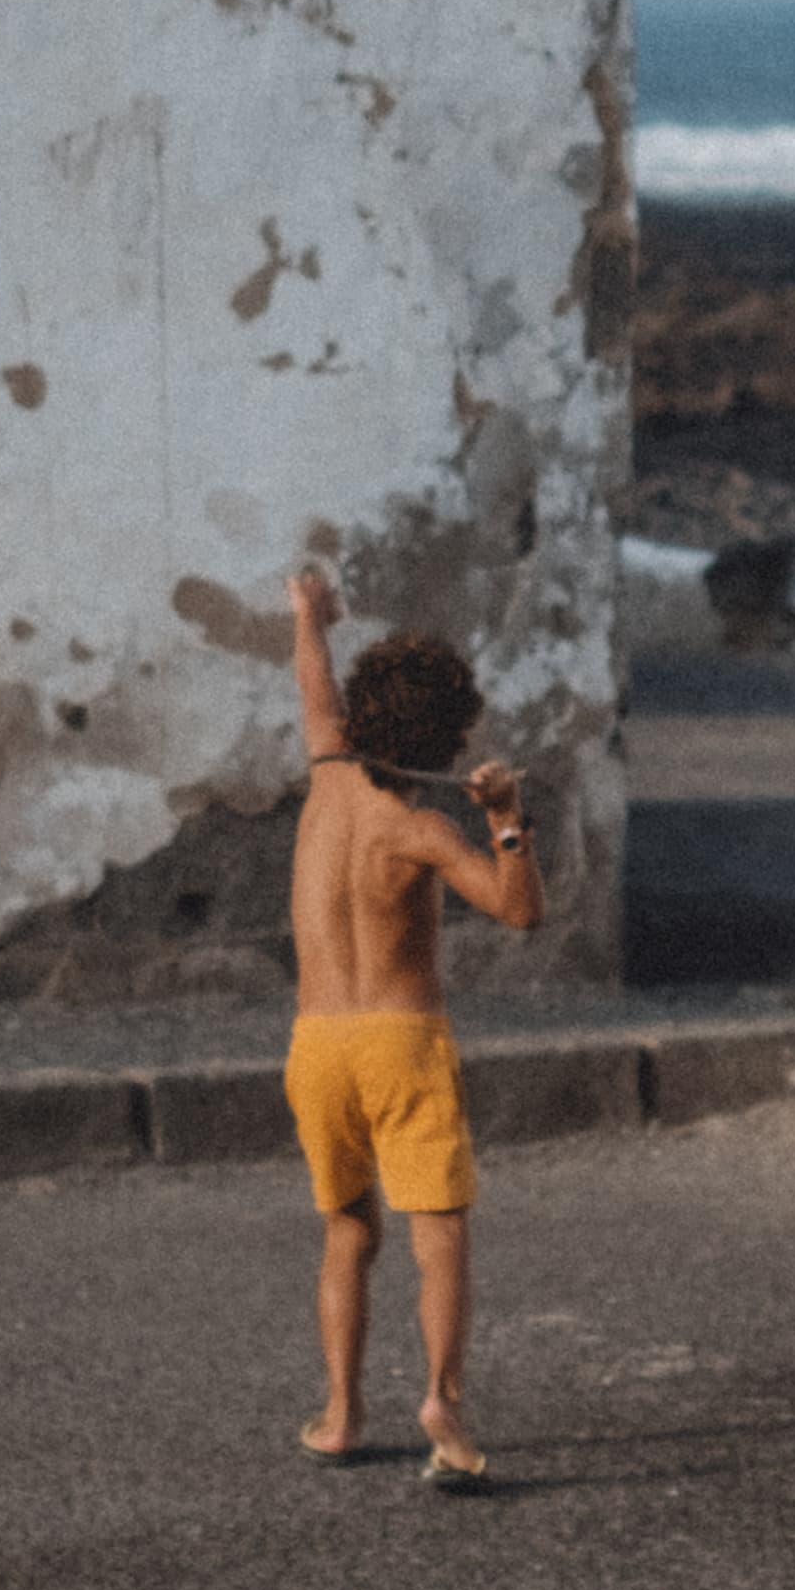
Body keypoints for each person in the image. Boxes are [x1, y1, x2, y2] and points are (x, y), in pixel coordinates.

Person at [280, 568, 543, 1479]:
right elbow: (518, 912)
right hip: (400, 1044)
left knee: (348, 1231)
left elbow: (312, 680)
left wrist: (309, 614)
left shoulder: (325, 773)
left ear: (357, 718)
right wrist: (508, 822)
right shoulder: (422, 832)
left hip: (316, 1048)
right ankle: (444, 1403)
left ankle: (342, 1413)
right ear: (444, 738)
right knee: (440, 1238)